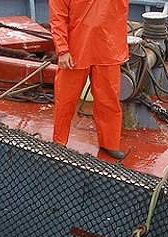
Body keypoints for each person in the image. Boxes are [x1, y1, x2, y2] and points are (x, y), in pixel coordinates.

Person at [49, 0, 129, 160]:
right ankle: (59, 142)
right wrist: (62, 49)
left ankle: (110, 143)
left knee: (109, 100)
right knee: (65, 99)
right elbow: (58, 17)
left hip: (108, 48)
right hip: (76, 49)